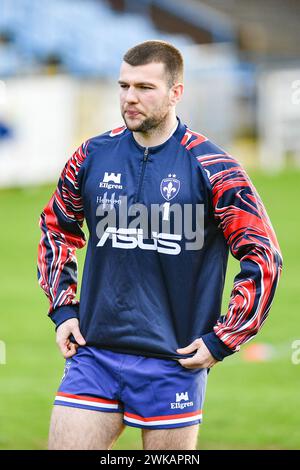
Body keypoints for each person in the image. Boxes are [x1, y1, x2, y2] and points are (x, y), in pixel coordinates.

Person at [37, 40, 282, 450]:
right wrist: (63, 308)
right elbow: (55, 228)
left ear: (176, 92)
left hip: (174, 362)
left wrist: (224, 338)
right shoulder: (92, 156)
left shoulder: (215, 168)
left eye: (145, 87)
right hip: (94, 353)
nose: (130, 97)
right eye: (123, 85)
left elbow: (263, 255)